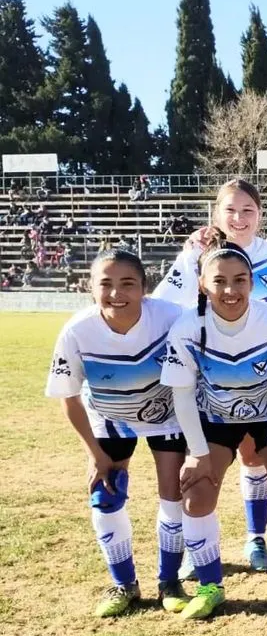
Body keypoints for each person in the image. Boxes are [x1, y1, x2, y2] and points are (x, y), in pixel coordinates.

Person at [160, 232, 267, 618]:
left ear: (252, 281)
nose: (229, 289)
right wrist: (198, 452)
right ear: (202, 284)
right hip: (214, 419)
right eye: (219, 280)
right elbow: (182, 394)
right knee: (195, 494)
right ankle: (210, 585)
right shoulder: (187, 328)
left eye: (239, 280)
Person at [44, 249, 188, 617]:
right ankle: (124, 583)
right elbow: (69, 397)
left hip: (168, 418)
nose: (116, 293)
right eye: (105, 284)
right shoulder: (77, 330)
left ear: (144, 288)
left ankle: (169, 581)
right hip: (110, 418)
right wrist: (95, 454)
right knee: (104, 497)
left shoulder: (171, 317)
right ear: (91, 288)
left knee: (174, 496)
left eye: (128, 283)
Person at [158, 179, 267, 573]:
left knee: (254, 457)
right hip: (211, 377)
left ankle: (255, 539)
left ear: (261, 215)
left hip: (265, 375)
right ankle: (194, 551)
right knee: (200, 465)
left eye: (248, 210)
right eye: (230, 210)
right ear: (215, 215)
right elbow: (168, 304)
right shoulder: (198, 253)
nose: (239, 218)